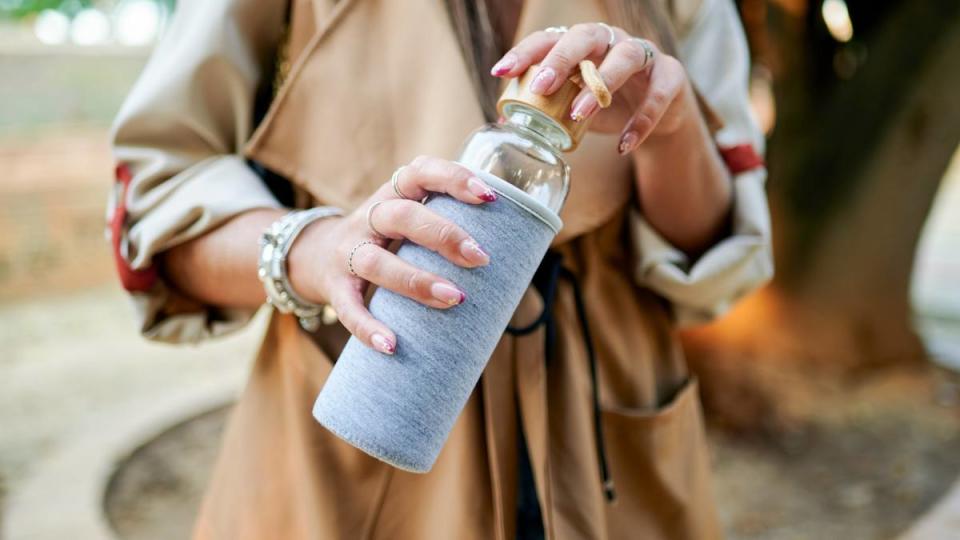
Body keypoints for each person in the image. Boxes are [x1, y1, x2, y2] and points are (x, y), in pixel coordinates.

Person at [107, 0, 772, 538]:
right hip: (358, 423)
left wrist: (672, 130)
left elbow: (719, 262)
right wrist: (319, 249)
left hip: (611, 442)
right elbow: (158, 203)